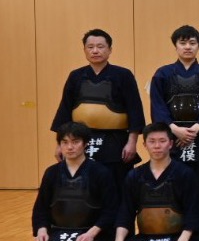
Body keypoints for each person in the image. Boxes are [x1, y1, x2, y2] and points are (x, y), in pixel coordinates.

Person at [97, 123, 199, 241]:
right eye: (152, 141)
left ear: (170, 144)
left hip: (176, 237)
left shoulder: (184, 174)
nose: (157, 146)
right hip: (146, 239)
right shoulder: (134, 176)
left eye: (162, 141)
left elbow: (193, 213)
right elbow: (125, 213)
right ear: (144, 145)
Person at [7, 122, 117, 241]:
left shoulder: (100, 172)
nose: (70, 147)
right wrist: (41, 231)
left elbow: (110, 210)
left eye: (75, 142)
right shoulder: (51, 173)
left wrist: (91, 234)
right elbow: (41, 207)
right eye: (65, 142)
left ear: (86, 143)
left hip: (88, 234)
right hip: (58, 232)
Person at [51, 29, 145, 190]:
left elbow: (134, 109)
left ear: (110, 50)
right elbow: (64, 110)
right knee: (85, 186)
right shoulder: (75, 76)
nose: (95, 51)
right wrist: (60, 143)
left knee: (117, 187)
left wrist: (132, 142)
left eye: (100, 46)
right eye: (90, 47)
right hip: (81, 139)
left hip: (115, 141)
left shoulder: (123, 75)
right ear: (84, 50)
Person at [149, 25, 199, 200]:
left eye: (192, 43)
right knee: (173, 187)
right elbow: (158, 105)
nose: (188, 47)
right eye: (183, 43)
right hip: (173, 138)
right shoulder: (162, 74)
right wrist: (174, 129)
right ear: (175, 46)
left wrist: (195, 129)